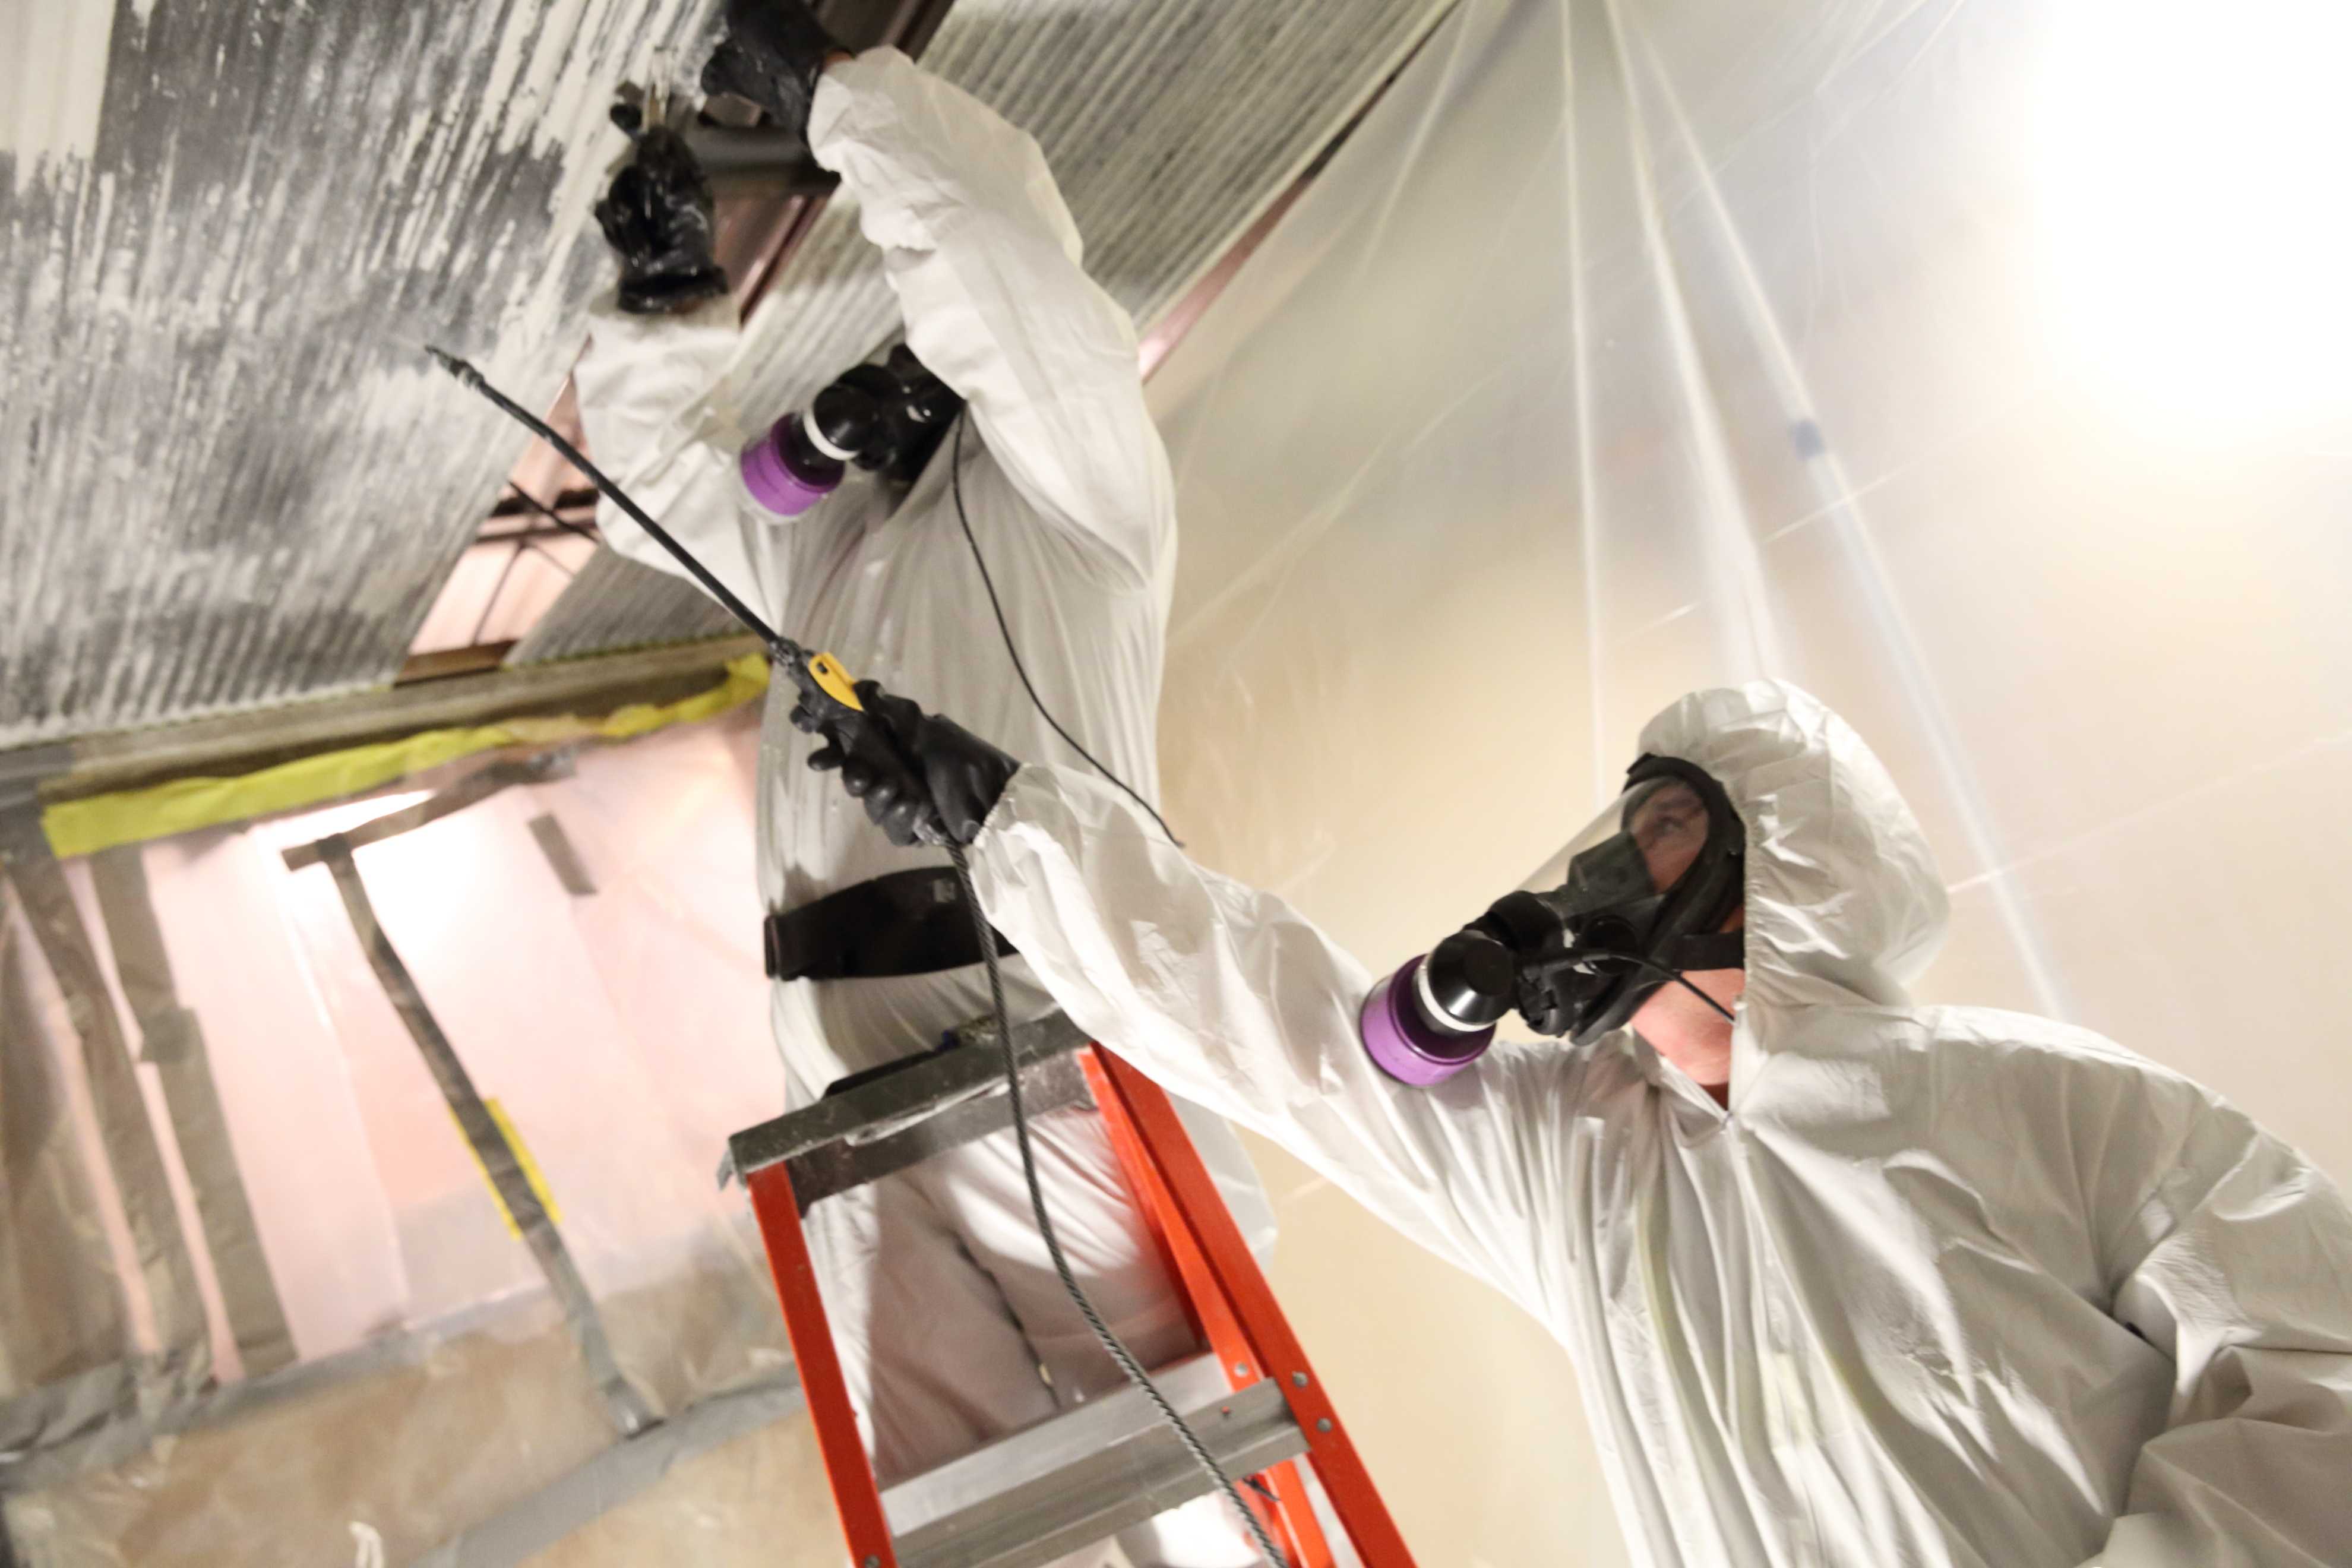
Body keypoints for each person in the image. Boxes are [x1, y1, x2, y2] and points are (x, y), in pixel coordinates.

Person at [813, 676, 2352, 1567]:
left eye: (1667, 825)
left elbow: (2317, 1362)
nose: (1611, 866)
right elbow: (1277, 1030)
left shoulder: (2030, 1100)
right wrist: (1011, 828)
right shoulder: (1593, 1163)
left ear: (1775, 870)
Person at [573, 6, 1270, 1561]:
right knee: (972, 1509)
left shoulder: (1088, 505)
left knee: (1163, 1474)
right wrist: (667, 297)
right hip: (874, 1070)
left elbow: (1009, 265)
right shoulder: (849, 547)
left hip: (1017, 1051)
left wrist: (840, 98)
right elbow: (662, 509)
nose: (925, 362)